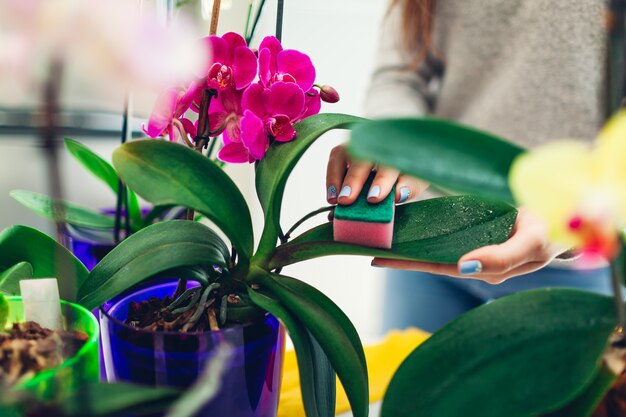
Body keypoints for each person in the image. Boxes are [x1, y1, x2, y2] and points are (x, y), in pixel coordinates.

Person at [326, 0, 613, 333]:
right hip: (424, 228)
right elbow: (402, 74)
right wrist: (395, 143)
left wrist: (574, 214)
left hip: (569, 254)